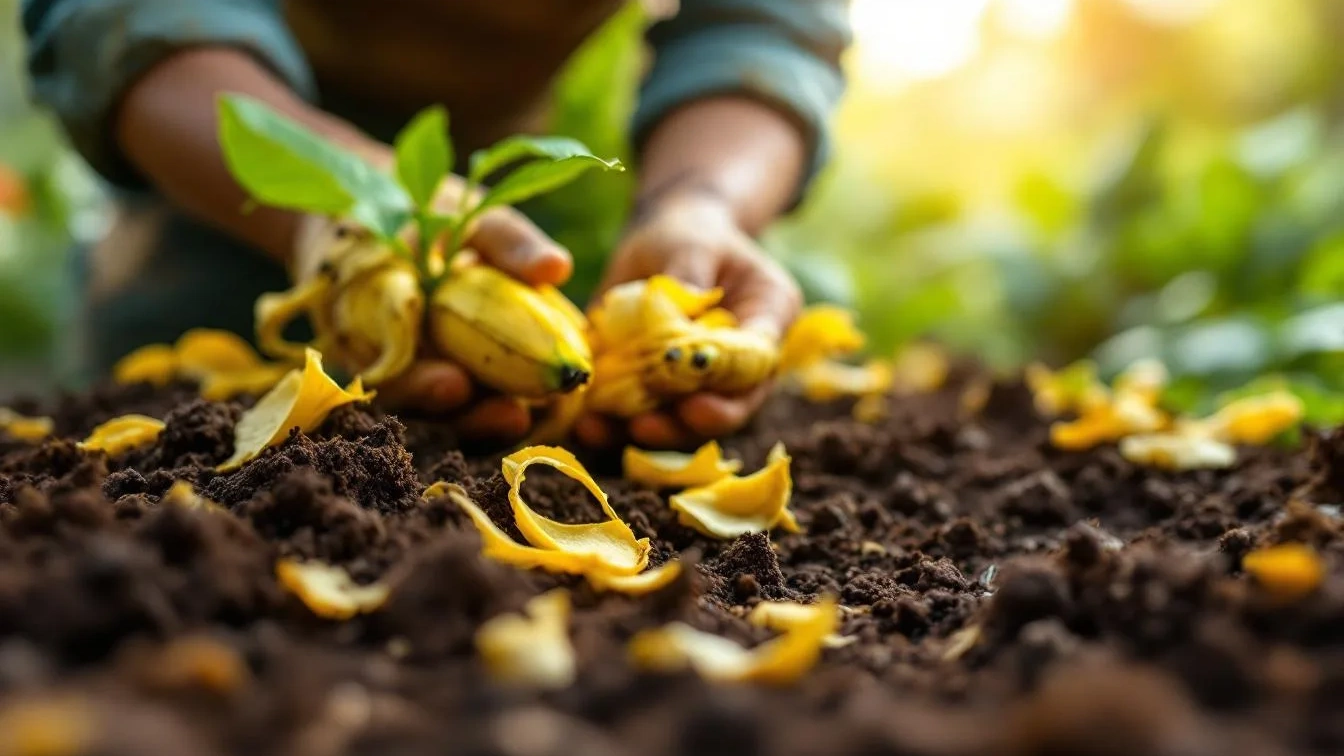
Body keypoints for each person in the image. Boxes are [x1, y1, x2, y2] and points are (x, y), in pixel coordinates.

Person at [22, 0, 851, 448]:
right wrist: (335, 206)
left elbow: (765, 23)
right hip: (211, 154)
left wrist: (697, 202)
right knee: (173, 437)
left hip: (488, 171)